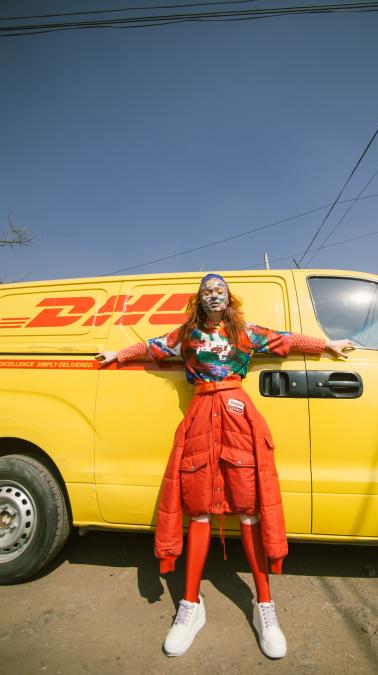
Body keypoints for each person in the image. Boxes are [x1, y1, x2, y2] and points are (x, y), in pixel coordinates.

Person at [95, 273, 355, 659]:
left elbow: (287, 338)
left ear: (228, 298)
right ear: (198, 301)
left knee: (250, 508)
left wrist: (326, 344)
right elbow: (154, 346)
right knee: (198, 509)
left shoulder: (246, 332)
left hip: (238, 418)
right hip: (201, 416)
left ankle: (264, 605)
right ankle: (190, 605)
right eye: (206, 292)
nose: (213, 296)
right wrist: (120, 355)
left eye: (219, 291)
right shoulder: (188, 335)